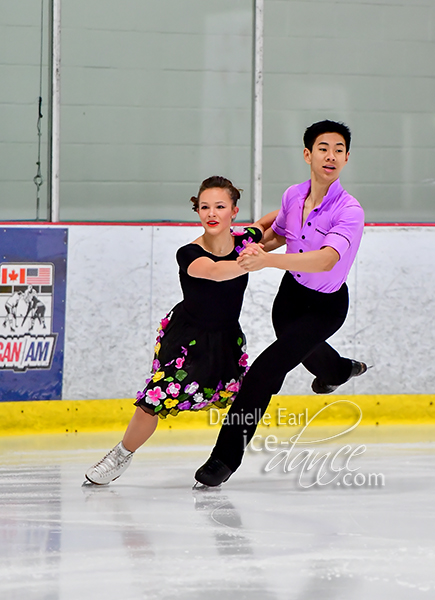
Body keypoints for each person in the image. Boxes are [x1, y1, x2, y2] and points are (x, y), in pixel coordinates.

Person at [194, 120, 367, 487]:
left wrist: (266, 261)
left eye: (338, 149)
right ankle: (338, 370)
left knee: (265, 370)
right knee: (304, 354)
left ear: (347, 158)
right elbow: (277, 235)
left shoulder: (349, 210)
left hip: (326, 305)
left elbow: (325, 259)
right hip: (290, 299)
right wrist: (243, 253)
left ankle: (223, 459)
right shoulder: (293, 196)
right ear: (308, 154)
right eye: (323, 148)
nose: (330, 155)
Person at [84, 175, 278, 485]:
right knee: (154, 398)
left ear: (233, 211)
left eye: (219, 207)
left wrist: (300, 209)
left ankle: (223, 459)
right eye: (204, 207)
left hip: (226, 339)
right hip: (187, 340)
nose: (211, 213)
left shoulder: (245, 241)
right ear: (198, 211)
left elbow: (269, 223)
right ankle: (121, 454)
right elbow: (215, 272)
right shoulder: (189, 253)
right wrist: (262, 260)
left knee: (248, 393)